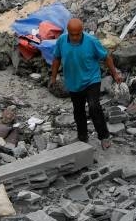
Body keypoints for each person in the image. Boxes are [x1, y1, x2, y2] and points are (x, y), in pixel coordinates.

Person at [49, 18, 124, 149]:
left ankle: (104, 136)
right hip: (73, 82)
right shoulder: (62, 41)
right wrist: (53, 77)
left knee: (94, 107)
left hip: (91, 79)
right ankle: (82, 136)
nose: (75, 37)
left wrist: (115, 74)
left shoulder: (91, 41)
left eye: (78, 34)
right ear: (68, 31)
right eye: (72, 34)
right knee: (78, 110)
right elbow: (56, 58)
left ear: (82, 31)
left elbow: (106, 57)